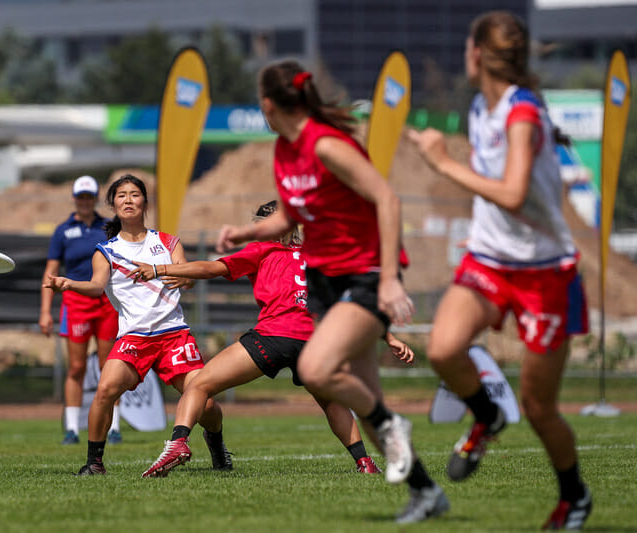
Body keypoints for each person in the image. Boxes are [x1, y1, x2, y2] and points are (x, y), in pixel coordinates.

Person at [216, 61, 448, 524]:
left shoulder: (326, 143)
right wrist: (245, 233)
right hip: (325, 280)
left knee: (317, 369)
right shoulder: (285, 150)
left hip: (363, 275)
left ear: (267, 103)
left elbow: (388, 199)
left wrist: (386, 279)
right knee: (366, 404)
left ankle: (389, 421)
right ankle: (426, 493)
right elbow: (291, 215)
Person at [408, 11, 591, 531]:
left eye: (468, 46)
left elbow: (512, 193)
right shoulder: (476, 107)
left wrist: (442, 163)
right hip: (490, 259)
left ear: (479, 55)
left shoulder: (523, 112)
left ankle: (574, 495)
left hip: (545, 272)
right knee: (443, 348)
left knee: (538, 407)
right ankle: (486, 416)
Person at [138, 200, 416, 478]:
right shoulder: (316, 255)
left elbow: (212, 269)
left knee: (199, 385)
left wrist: (161, 269)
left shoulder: (261, 248)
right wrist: (389, 337)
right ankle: (364, 462)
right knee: (333, 403)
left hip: (274, 337)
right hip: (314, 344)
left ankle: (178, 444)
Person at [44, 174, 230, 476]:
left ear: (145, 202)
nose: (128, 200)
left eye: (134, 194)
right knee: (104, 390)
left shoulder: (168, 242)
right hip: (135, 338)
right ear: (113, 205)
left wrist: (164, 273)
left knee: (206, 403)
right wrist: (68, 284)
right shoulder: (106, 251)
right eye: (121, 196)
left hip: (174, 336)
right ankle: (94, 462)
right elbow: (95, 287)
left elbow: (189, 279)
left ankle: (217, 443)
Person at [39, 175, 122, 445]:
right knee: (76, 367)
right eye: (81, 197)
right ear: (74, 198)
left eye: (89, 197)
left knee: (109, 366)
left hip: (106, 303)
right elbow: (51, 272)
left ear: (95, 199)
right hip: (75, 304)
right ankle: (72, 428)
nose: (85, 201)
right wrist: (44, 311)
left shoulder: (109, 227)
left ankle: (114, 427)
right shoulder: (63, 231)